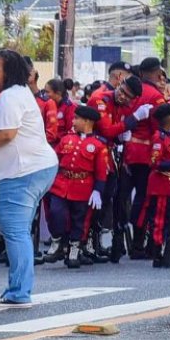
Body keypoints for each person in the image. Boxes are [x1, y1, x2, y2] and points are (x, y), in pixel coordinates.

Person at [0, 51, 57, 307]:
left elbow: (7, 134)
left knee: (15, 232)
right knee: (17, 232)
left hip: (21, 173)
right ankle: (18, 288)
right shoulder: (11, 95)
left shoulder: (10, 97)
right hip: (29, 170)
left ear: (9, 72)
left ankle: (19, 291)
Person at [44, 105, 109, 268]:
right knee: (55, 212)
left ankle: (74, 249)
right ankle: (57, 241)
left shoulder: (98, 145)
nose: (73, 121)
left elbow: (101, 172)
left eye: (77, 119)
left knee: (79, 219)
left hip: (82, 186)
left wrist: (97, 191)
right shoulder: (66, 139)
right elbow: (55, 160)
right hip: (61, 184)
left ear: (87, 121)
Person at [118, 75, 167, 259]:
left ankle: (121, 237)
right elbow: (157, 128)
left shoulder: (130, 92)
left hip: (126, 150)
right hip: (144, 153)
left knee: (121, 197)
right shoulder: (154, 96)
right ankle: (138, 242)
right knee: (144, 199)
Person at [140, 103, 170, 268]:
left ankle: (167, 254)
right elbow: (154, 162)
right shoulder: (159, 138)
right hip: (161, 185)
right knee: (160, 220)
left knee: (169, 220)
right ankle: (159, 254)